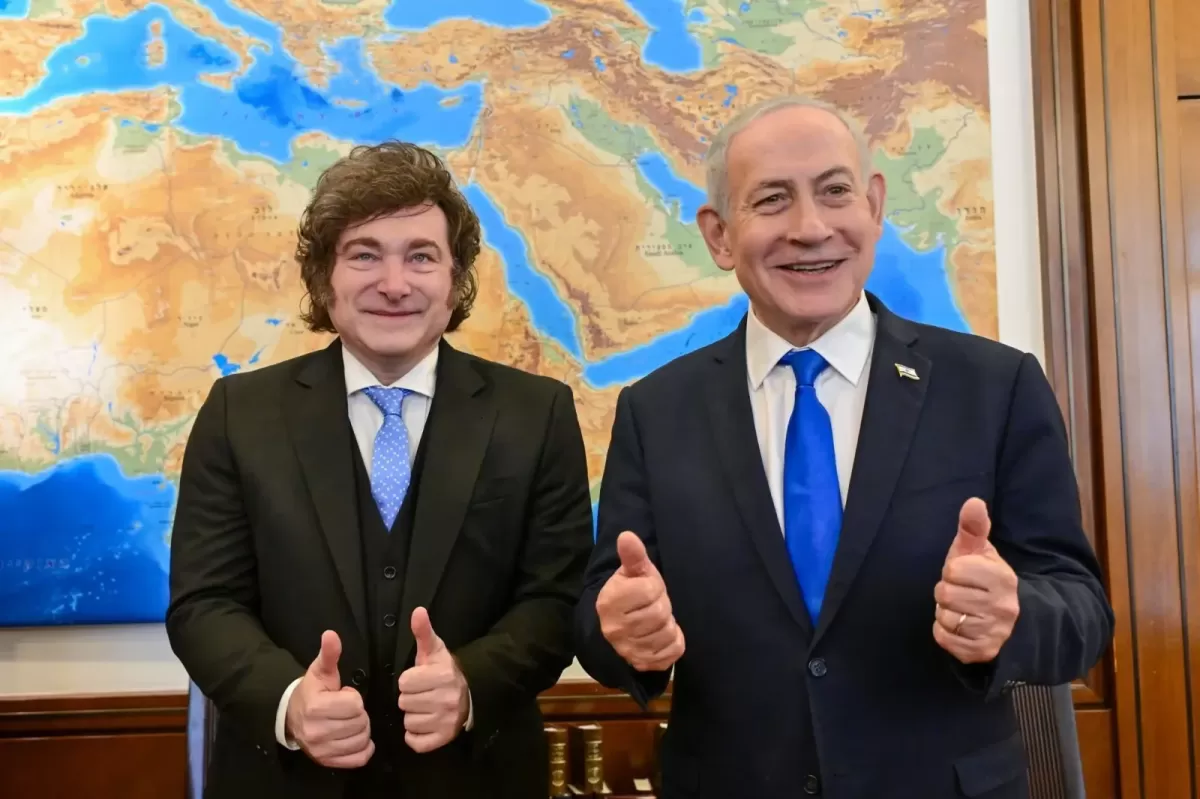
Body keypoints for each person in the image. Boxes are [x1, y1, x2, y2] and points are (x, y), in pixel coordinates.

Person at [574, 96, 1114, 799]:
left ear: (875, 205)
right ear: (720, 235)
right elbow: (602, 612)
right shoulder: (655, 411)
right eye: (773, 199)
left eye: (835, 191)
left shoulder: (996, 386)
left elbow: (1081, 609)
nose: (810, 228)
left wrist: (1011, 618)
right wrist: (623, 634)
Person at [168, 141, 595, 798]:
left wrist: (470, 684)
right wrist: (289, 701)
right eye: (365, 254)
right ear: (324, 279)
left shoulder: (537, 414)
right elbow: (204, 603)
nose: (394, 283)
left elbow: (557, 598)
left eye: (421, 256)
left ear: (455, 279)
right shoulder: (238, 413)